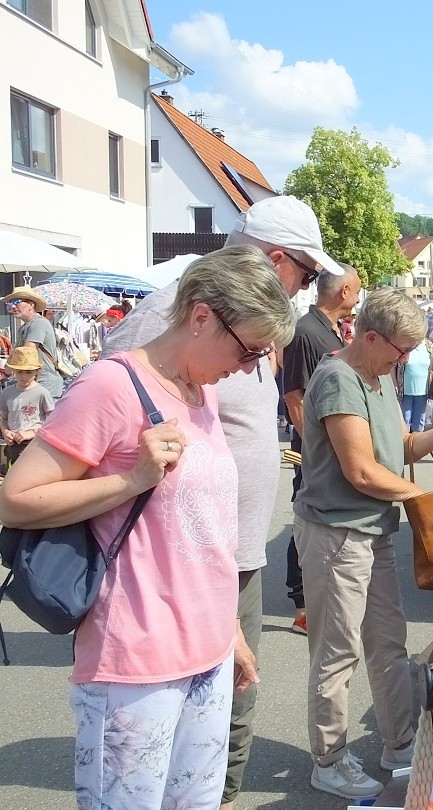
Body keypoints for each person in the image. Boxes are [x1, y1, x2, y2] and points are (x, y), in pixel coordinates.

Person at [0, 247, 296, 809]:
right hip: (136, 662)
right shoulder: (110, 387)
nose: (250, 366)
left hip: (205, 653)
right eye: (249, 349)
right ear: (202, 315)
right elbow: (15, 501)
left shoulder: (200, 392)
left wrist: (228, 628)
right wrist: (133, 477)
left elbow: (203, 531)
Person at [103, 195, 344, 810]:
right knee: (215, 690)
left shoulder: (251, 316)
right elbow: (114, 399)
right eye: (307, 274)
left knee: (231, 687)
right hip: (185, 550)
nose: (304, 287)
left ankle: (214, 793)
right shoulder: (174, 309)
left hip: (231, 543)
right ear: (278, 258)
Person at [293, 288, 433, 800]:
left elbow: (402, 447)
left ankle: (399, 743)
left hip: (372, 532)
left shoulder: (377, 376)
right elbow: (361, 470)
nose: (405, 361)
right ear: (370, 336)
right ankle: (329, 760)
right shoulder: (339, 379)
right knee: (337, 653)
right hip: (337, 534)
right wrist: (424, 499)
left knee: (387, 645)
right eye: (400, 349)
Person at [282, 265, 362, 635]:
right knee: (306, 519)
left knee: (323, 521)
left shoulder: (328, 329)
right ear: (344, 290)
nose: (359, 296)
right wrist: (315, 446)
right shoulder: (303, 331)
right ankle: (302, 606)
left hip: (330, 449)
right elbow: (294, 396)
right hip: (314, 451)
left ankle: (318, 597)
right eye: (358, 288)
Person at [1, 286, 64, 399]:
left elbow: (27, 352)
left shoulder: (38, 323)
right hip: (34, 383)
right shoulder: (25, 326)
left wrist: (7, 371)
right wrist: (6, 372)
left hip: (45, 384)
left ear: (31, 305)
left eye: (17, 302)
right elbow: (17, 353)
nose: (13, 307)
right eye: (10, 304)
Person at [0, 345, 55, 470]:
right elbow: (3, 418)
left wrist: (31, 433)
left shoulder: (42, 393)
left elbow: (53, 421)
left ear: (37, 371)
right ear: (13, 370)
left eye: (29, 372)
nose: (24, 376)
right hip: (13, 443)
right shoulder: (7, 393)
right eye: (19, 371)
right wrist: (5, 431)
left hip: (35, 443)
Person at [400, 337, 432, 432]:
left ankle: (416, 445)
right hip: (405, 392)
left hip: (423, 392)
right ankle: (404, 445)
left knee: (419, 424)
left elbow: (432, 366)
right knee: (404, 421)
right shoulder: (406, 344)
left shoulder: (428, 345)